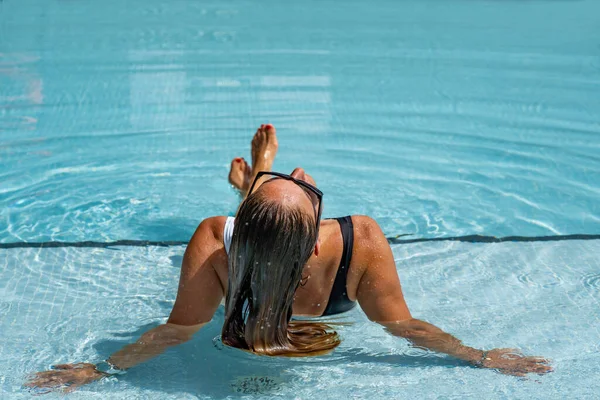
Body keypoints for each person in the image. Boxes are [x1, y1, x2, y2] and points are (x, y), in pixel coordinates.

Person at [26, 124, 552, 393]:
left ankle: (253, 176)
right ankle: (254, 177)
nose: (300, 174)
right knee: (270, 218)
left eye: (287, 180)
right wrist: (480, 357)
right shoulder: (360, 239)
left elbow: (177, 331)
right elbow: (405, 327)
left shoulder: (216, 237)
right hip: (263, 230)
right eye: (296, 185)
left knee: (266, 219)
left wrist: (100, 368)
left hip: (252, 234)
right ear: (319, 241)